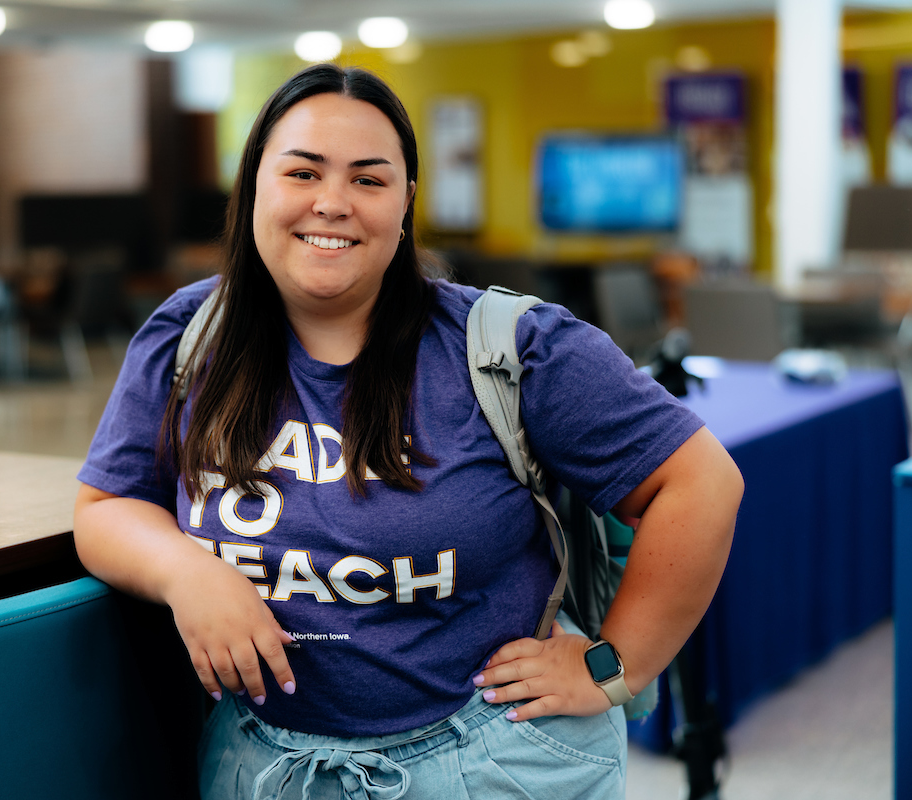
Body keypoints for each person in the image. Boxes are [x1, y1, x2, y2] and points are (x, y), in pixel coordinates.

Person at [74, 63, 743, 800]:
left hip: (492, 762)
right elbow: (107, 508)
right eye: (302, 173)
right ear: (254, 184)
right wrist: (186, 572)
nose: (333, 203)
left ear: (406, 202)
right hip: (262, 766)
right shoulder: (188, 336)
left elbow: (701, 482)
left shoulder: (514, 348)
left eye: (369, 179)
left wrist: (617, 664)